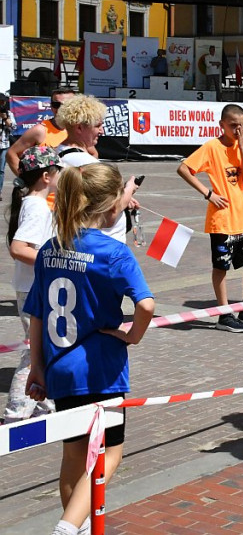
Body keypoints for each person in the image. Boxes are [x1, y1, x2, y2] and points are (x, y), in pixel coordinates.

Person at [23, 162, 155, 535]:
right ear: (114, 206)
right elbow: (145, 305)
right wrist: (133, 336)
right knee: (110, 452)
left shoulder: (51, 248)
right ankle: (67, 526)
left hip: (60, 365)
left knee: (73, 454)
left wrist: (38, 367)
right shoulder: (113, 252)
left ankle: (76, 524)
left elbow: (35, 312)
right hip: (100, 368)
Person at [177, 104, 243, 333]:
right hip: (222, 219)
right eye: (233, 126)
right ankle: (223, 313)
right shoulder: (212, 147)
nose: (238, 129)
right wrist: (208, 194)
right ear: (222, 125)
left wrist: (241, 146)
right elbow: (184, 169)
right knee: (221, 266)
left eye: (242, 125)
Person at [4, 146, 61, 424]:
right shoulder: (37, 207)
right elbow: (18, 248)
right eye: (58, 171)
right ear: (47, 177)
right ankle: (15, 414)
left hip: (31, 287)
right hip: (34, 290)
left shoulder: (31, 202)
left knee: (44, 348)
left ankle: (44, 406)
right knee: (35, 351)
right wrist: (53, 260)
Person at [55, 95, 142, 243]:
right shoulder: (85, 162)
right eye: (97, 126)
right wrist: (129, 189)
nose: (102, 131)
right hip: (105, 243)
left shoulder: (60, 151)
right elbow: (113, 211)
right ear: (79, 127)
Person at [6, 88, 95, 177]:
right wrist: (26, 181)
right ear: (51, 107)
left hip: (73, 188)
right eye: (56, 104)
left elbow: (93, 153)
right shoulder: (40, 130)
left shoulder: (79, 129)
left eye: (66, 105)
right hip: (49, 189)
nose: (60, 108)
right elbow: (11, 153)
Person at [0, 93, 15, 198]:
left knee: (0, 170)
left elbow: (13, 127)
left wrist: (5, 119)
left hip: (4, 145)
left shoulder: (9, 114)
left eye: (3, 101)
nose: (2, 103)